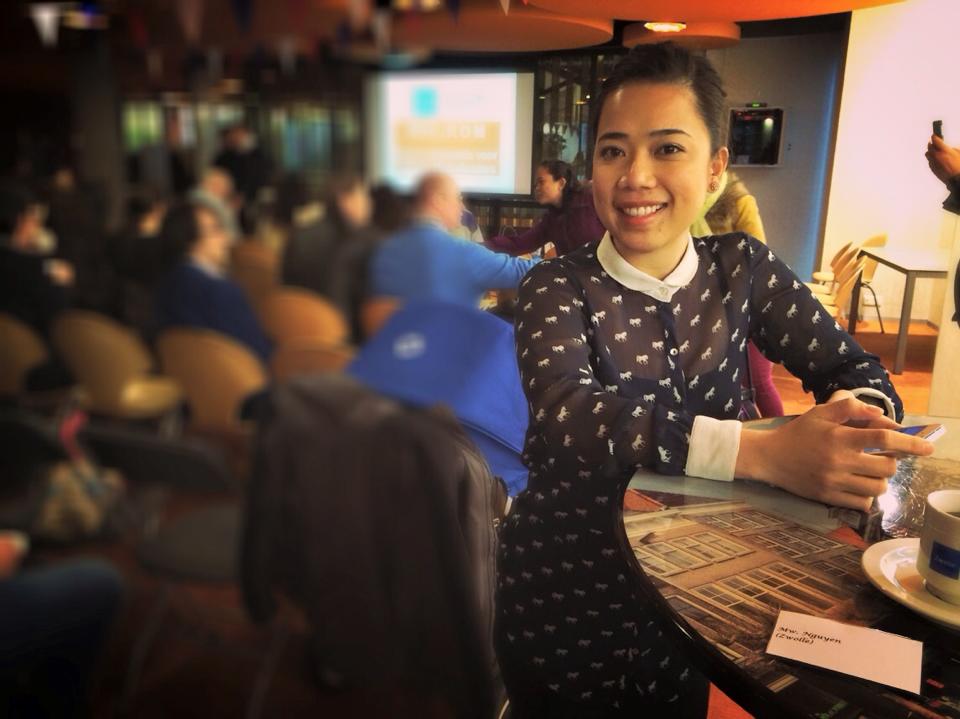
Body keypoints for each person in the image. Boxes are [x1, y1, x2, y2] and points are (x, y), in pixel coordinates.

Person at [495, 42, 934, 718]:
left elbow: (855, 368)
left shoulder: (741, 267)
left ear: (716, 168)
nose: (636, 175)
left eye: (667, 148)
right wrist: (760, 452)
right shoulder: (557, 284)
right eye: (614, 151)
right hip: (567, 597)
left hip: (703, 598)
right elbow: (571, 412)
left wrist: (856, 425)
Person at [369, 172, 539, 307]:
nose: (462, 206)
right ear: (438, 200)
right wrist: (546, 259)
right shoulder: (463, 253)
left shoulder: (384, 251)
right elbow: (525, 272)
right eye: (458, 198)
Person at [691, 170, 784, 417]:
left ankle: (781, 439)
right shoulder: (682, 203)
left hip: (746, 305)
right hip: (700, 310)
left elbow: (758, 259)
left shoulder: (739, 201)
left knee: (759, 381)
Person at [154, 196, 273, 363]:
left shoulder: (167, 284)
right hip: (245, 381)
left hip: (191, 380)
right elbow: (258, 354)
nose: (226, 238)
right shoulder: (221, 291)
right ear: (191, 241)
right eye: (216, 230)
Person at [282, 173, 377, 341]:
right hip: (346, 345)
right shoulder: (363, 243)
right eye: (363, 195)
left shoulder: (298, 236)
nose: (369, 203)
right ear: (344, 200)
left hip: (298, 337)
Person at [485, 160, 605, 257]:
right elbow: (520, 244)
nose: (536, 188)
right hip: (576, 281)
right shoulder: (551, 219)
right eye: (535, 184)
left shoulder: (591, 200)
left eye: (541, 182)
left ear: (561, 183)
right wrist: (477, 247)